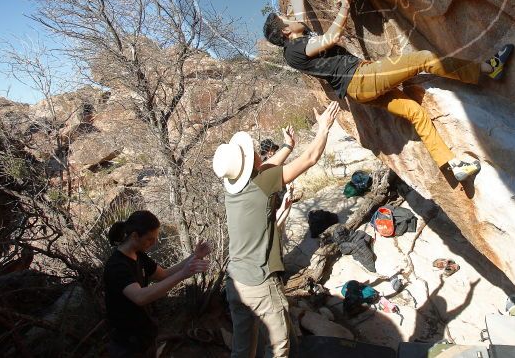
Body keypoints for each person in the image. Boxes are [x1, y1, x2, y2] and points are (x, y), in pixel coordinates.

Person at [263, 0, 515, 182]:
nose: (289, 16)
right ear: (286, 31)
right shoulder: (294, 52)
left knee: (415, 112)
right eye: (285, 19)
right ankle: (487, 69)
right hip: (361, 79)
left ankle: (451, 165)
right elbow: (330, 38)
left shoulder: (295, 41)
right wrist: (345, 5)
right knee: (424, 59)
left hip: (358, 90)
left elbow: (298, 10)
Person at [213, 103, 340, 358]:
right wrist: (324, 128)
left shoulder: (234, 189)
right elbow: (310, 159)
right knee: (279, 348)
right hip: (259, 282)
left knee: (243, 348)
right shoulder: (262, 184)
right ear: (249, 165)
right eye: (252, 152)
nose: (257, 153)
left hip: (235, 281)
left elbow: (267, 167)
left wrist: (288, 146)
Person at [103, 210, 211, 357]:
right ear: (134, 236)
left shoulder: (138, 254)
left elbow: (164, 274)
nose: (154, 243)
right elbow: (140, 297)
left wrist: (195, 256)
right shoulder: (117, 266)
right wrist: (183, 274)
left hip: (144, 336)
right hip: (126, 344)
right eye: (150, 239)